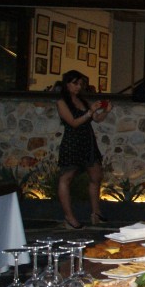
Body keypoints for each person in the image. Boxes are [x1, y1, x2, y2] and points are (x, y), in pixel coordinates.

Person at [55, 70, 111, 229]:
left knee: (96, 175)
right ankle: (69, 217)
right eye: (75, 83)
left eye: (80, 84)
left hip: (87, 141)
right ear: (67, 84)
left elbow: (96, 119)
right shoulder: (62, 102)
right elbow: (73, 122)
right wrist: (90, 112)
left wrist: (105, 111)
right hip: (73, 142)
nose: (78, 87)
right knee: (66, 177)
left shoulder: (82, 101)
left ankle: (96, 212)